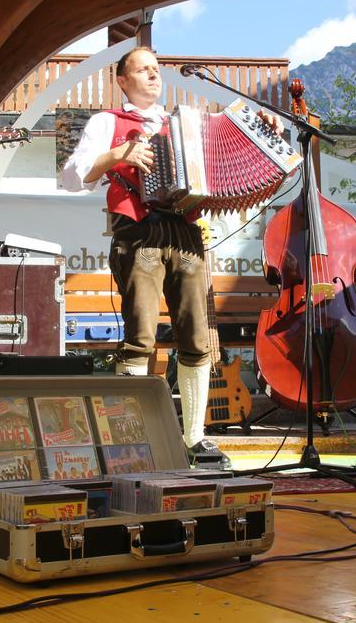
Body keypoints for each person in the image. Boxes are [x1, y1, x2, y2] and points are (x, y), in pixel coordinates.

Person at [60, 46, 281, 467]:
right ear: (122, 81)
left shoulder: (187, 122)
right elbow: (71, 177)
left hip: (185, 232)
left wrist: (263, 129)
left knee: (197, 337)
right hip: (138, 231)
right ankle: (134, 441)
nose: (152, 75)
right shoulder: (108, 121)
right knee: (140, 336)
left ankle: (194, 438)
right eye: (141, 70)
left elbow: (236, 148)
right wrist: (116, 155)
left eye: (156, 69)